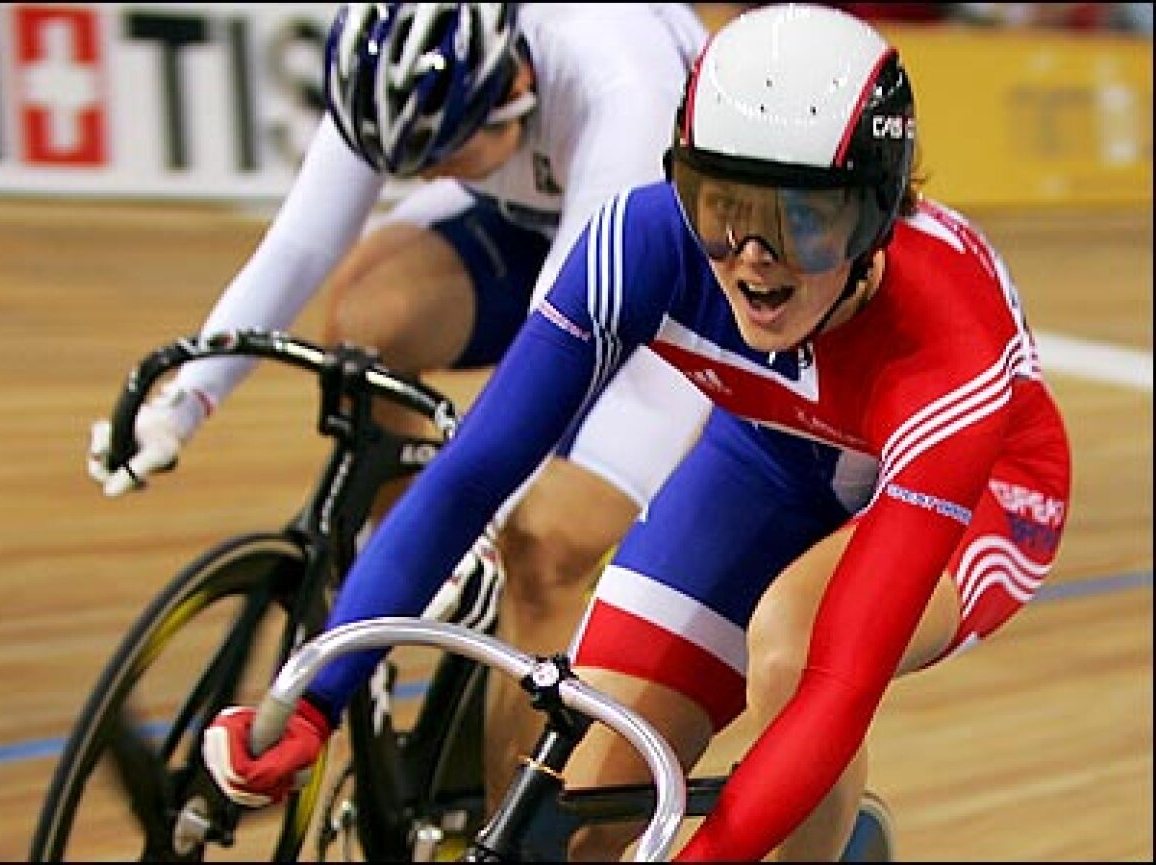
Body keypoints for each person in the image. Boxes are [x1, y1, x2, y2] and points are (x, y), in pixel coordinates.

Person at [201, 3, 1072, 861]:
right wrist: (316, 700)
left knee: (794, 650)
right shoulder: (642, 240)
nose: (754, 257)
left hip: (988, 487)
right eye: (722, 204)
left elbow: (838, 686)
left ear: (878, 213)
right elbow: (472, 477)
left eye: (806, 219)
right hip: (772, 457)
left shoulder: (948, 336)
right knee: (583, 816)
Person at [86, 2, 714, 804]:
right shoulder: (405, 69)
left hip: (661, 275)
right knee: (365, 319)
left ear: (516, 86)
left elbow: (557, 353)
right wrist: (188, 399)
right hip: (531, 218)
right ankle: (415, 588)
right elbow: (303, 243)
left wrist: (489, 516)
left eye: (444, 154)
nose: (424, 177)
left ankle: (513, 828)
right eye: (407, 161)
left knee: (545, 545)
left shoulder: (620, 81)